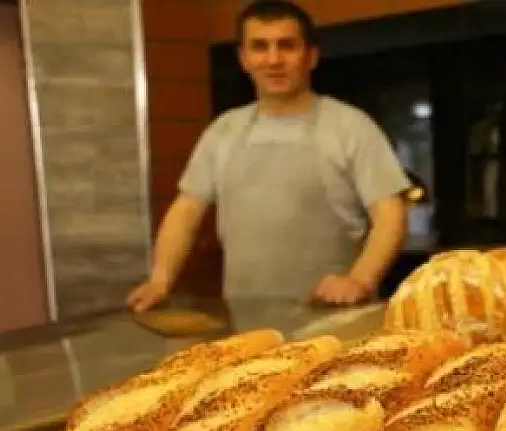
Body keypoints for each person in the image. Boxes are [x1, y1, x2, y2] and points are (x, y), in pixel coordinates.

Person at [128, 0, 410, 311]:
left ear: (310, 56)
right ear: (244, 59)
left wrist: (360, 280)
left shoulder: (352, 127)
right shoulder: (223, 131)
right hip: (244, 321)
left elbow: (390, 215)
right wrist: (160, 280)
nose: (273, 59)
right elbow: (186, 210)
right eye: (260, 47)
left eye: (286, 46)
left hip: (336, 320)